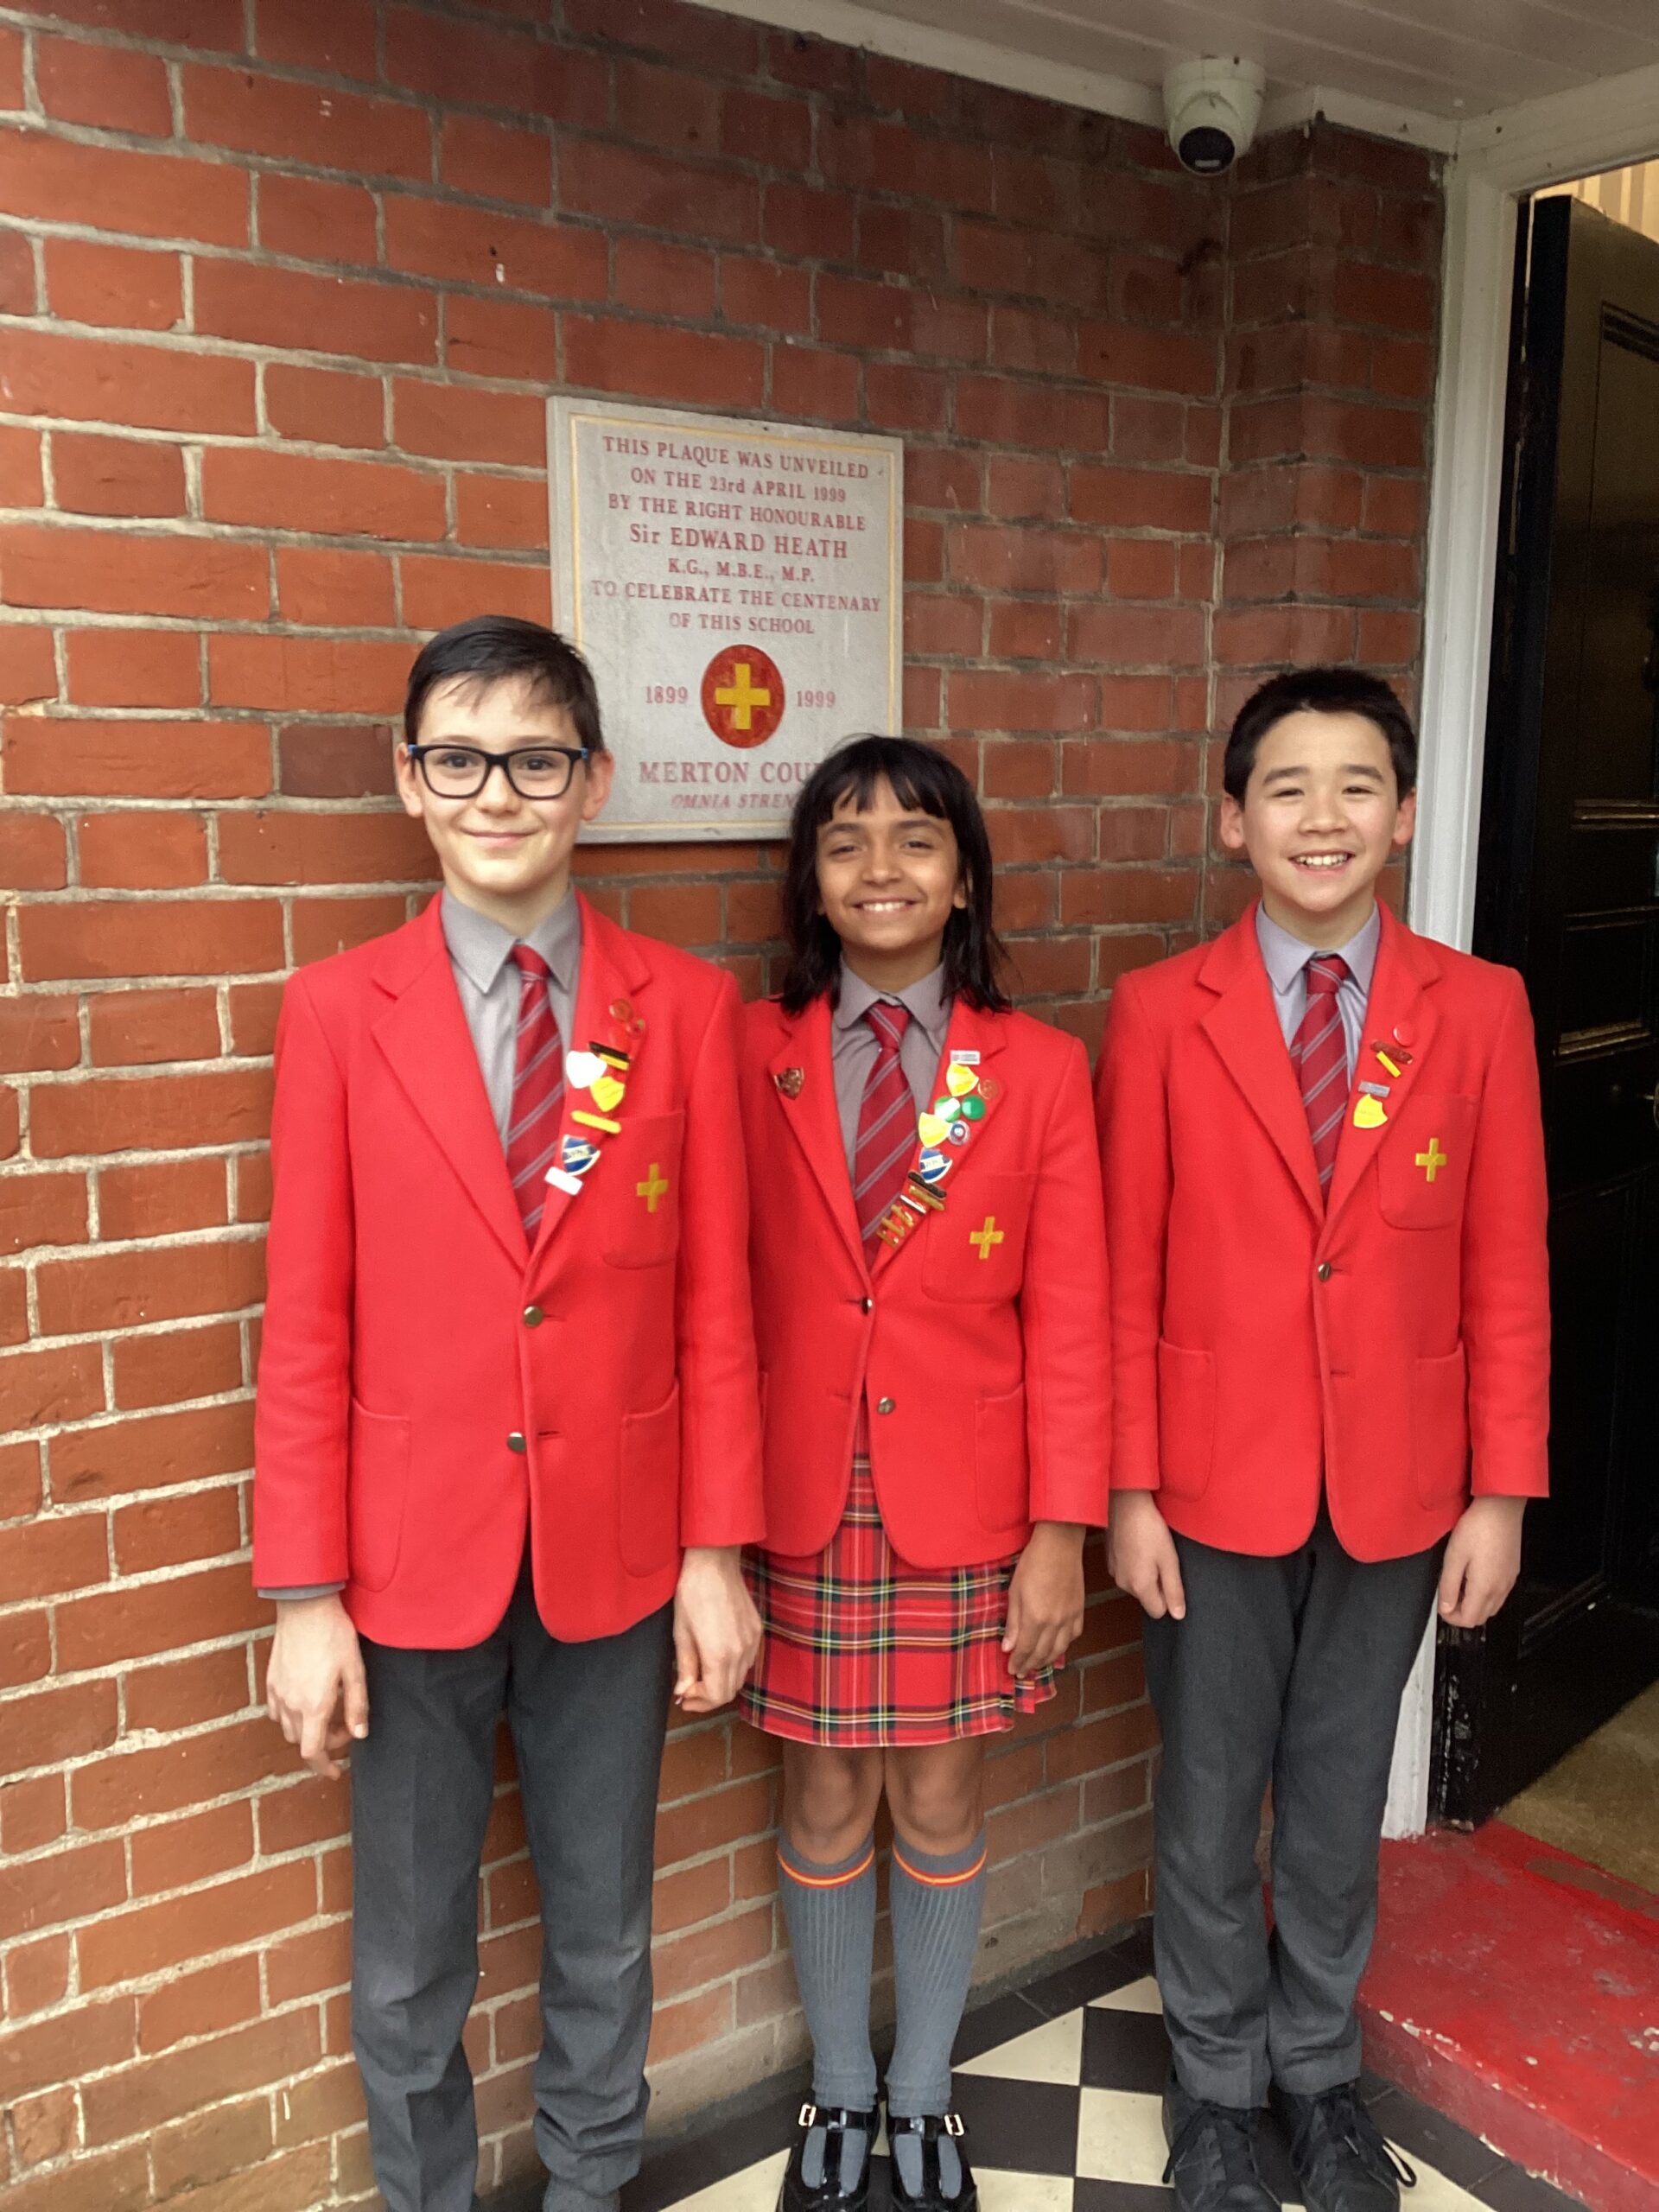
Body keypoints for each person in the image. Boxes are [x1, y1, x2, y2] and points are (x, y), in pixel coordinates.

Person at [252, 614, 766, 2212]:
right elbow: (306, 1322)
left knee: (604, 1926)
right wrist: (306, 1595)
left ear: (593, 781)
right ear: (410, 781)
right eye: (460, 760)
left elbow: (717, 1307)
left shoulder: (685, 1008)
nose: (498, 794)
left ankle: (591, 2187)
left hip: (619, 1552)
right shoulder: (339, 1013)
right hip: (407, 1566)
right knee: (411, 1952)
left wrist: (715, 1555)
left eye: (536, 760)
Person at [1096, 669, 1550, 2212]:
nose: (1323, 817)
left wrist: (1501, 1491)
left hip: (1400, 1484)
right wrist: (1130, 1489)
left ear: (1404, 814)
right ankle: (1217, 2090)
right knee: (1210, 1798)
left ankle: (1317, 2071)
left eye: (1358, 786)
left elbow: (1507, 1263)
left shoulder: (1477, 1008)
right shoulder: (1163, 1012)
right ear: (1234, 818)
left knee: (1341, 1795)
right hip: (1207, 1486)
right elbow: (1123, 1273)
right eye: (1286, 786)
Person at [738, 735, 1111, 2212]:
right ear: (811, 883)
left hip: (969, 1500)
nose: (880, 867)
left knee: (942, 1799)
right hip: (804, 1490)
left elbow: (1071, 1319)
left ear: (964, 880)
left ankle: (925, 2091)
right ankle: (841, 2083)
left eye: (915, 841)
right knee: (827, 1799)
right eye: (844, 842)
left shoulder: (1036, 1070)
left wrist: (1061, 1533)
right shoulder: (748, 1054)